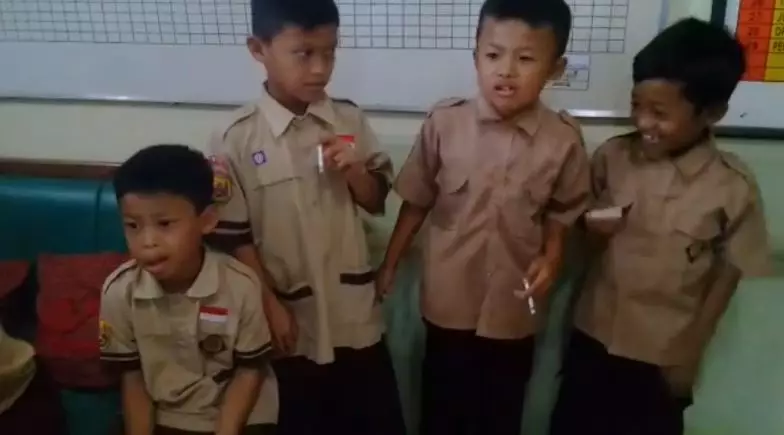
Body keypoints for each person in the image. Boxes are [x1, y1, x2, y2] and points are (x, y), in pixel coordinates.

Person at [376, 0, 591, 434]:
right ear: (475, 55)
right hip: (447, 302)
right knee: (441, 407)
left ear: (555, 67)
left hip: (515, 304)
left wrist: (552, 256)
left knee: (501, 410)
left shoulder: (563, 141)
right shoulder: (445, 123)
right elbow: (417, 199)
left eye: (526, 58)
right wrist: (390, 263)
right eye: (493, 55)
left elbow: (562, 211)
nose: (506, 71)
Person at [550, 18, 772, 435]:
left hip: (662, 354)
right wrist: (588, 230)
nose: (644, 123)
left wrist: (690, 355)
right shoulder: (612, 157)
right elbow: (577, 228)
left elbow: (729, 273)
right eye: (637, 106)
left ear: (712, 113)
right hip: (592, 336)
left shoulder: (731, 187)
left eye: (660, 113)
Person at [205, 0, 405, 434]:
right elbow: (234, 238)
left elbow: (375, 201)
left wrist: (354, 170)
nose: (319, 69)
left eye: (330, 53)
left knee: (375, 419)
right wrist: (269, 306)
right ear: (259, 49)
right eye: (304, 53)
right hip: (288, 319)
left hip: (354, 316)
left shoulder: (348, 118)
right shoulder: (235, 138)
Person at [99, 144, 277, 435]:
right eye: (133, 225)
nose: (148, 241)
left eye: (165, 224)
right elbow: (132, 379)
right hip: (165, 415)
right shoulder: (119, 292)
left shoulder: (240, 285)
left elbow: (249, 372)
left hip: (235, 414)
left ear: (206, 221)